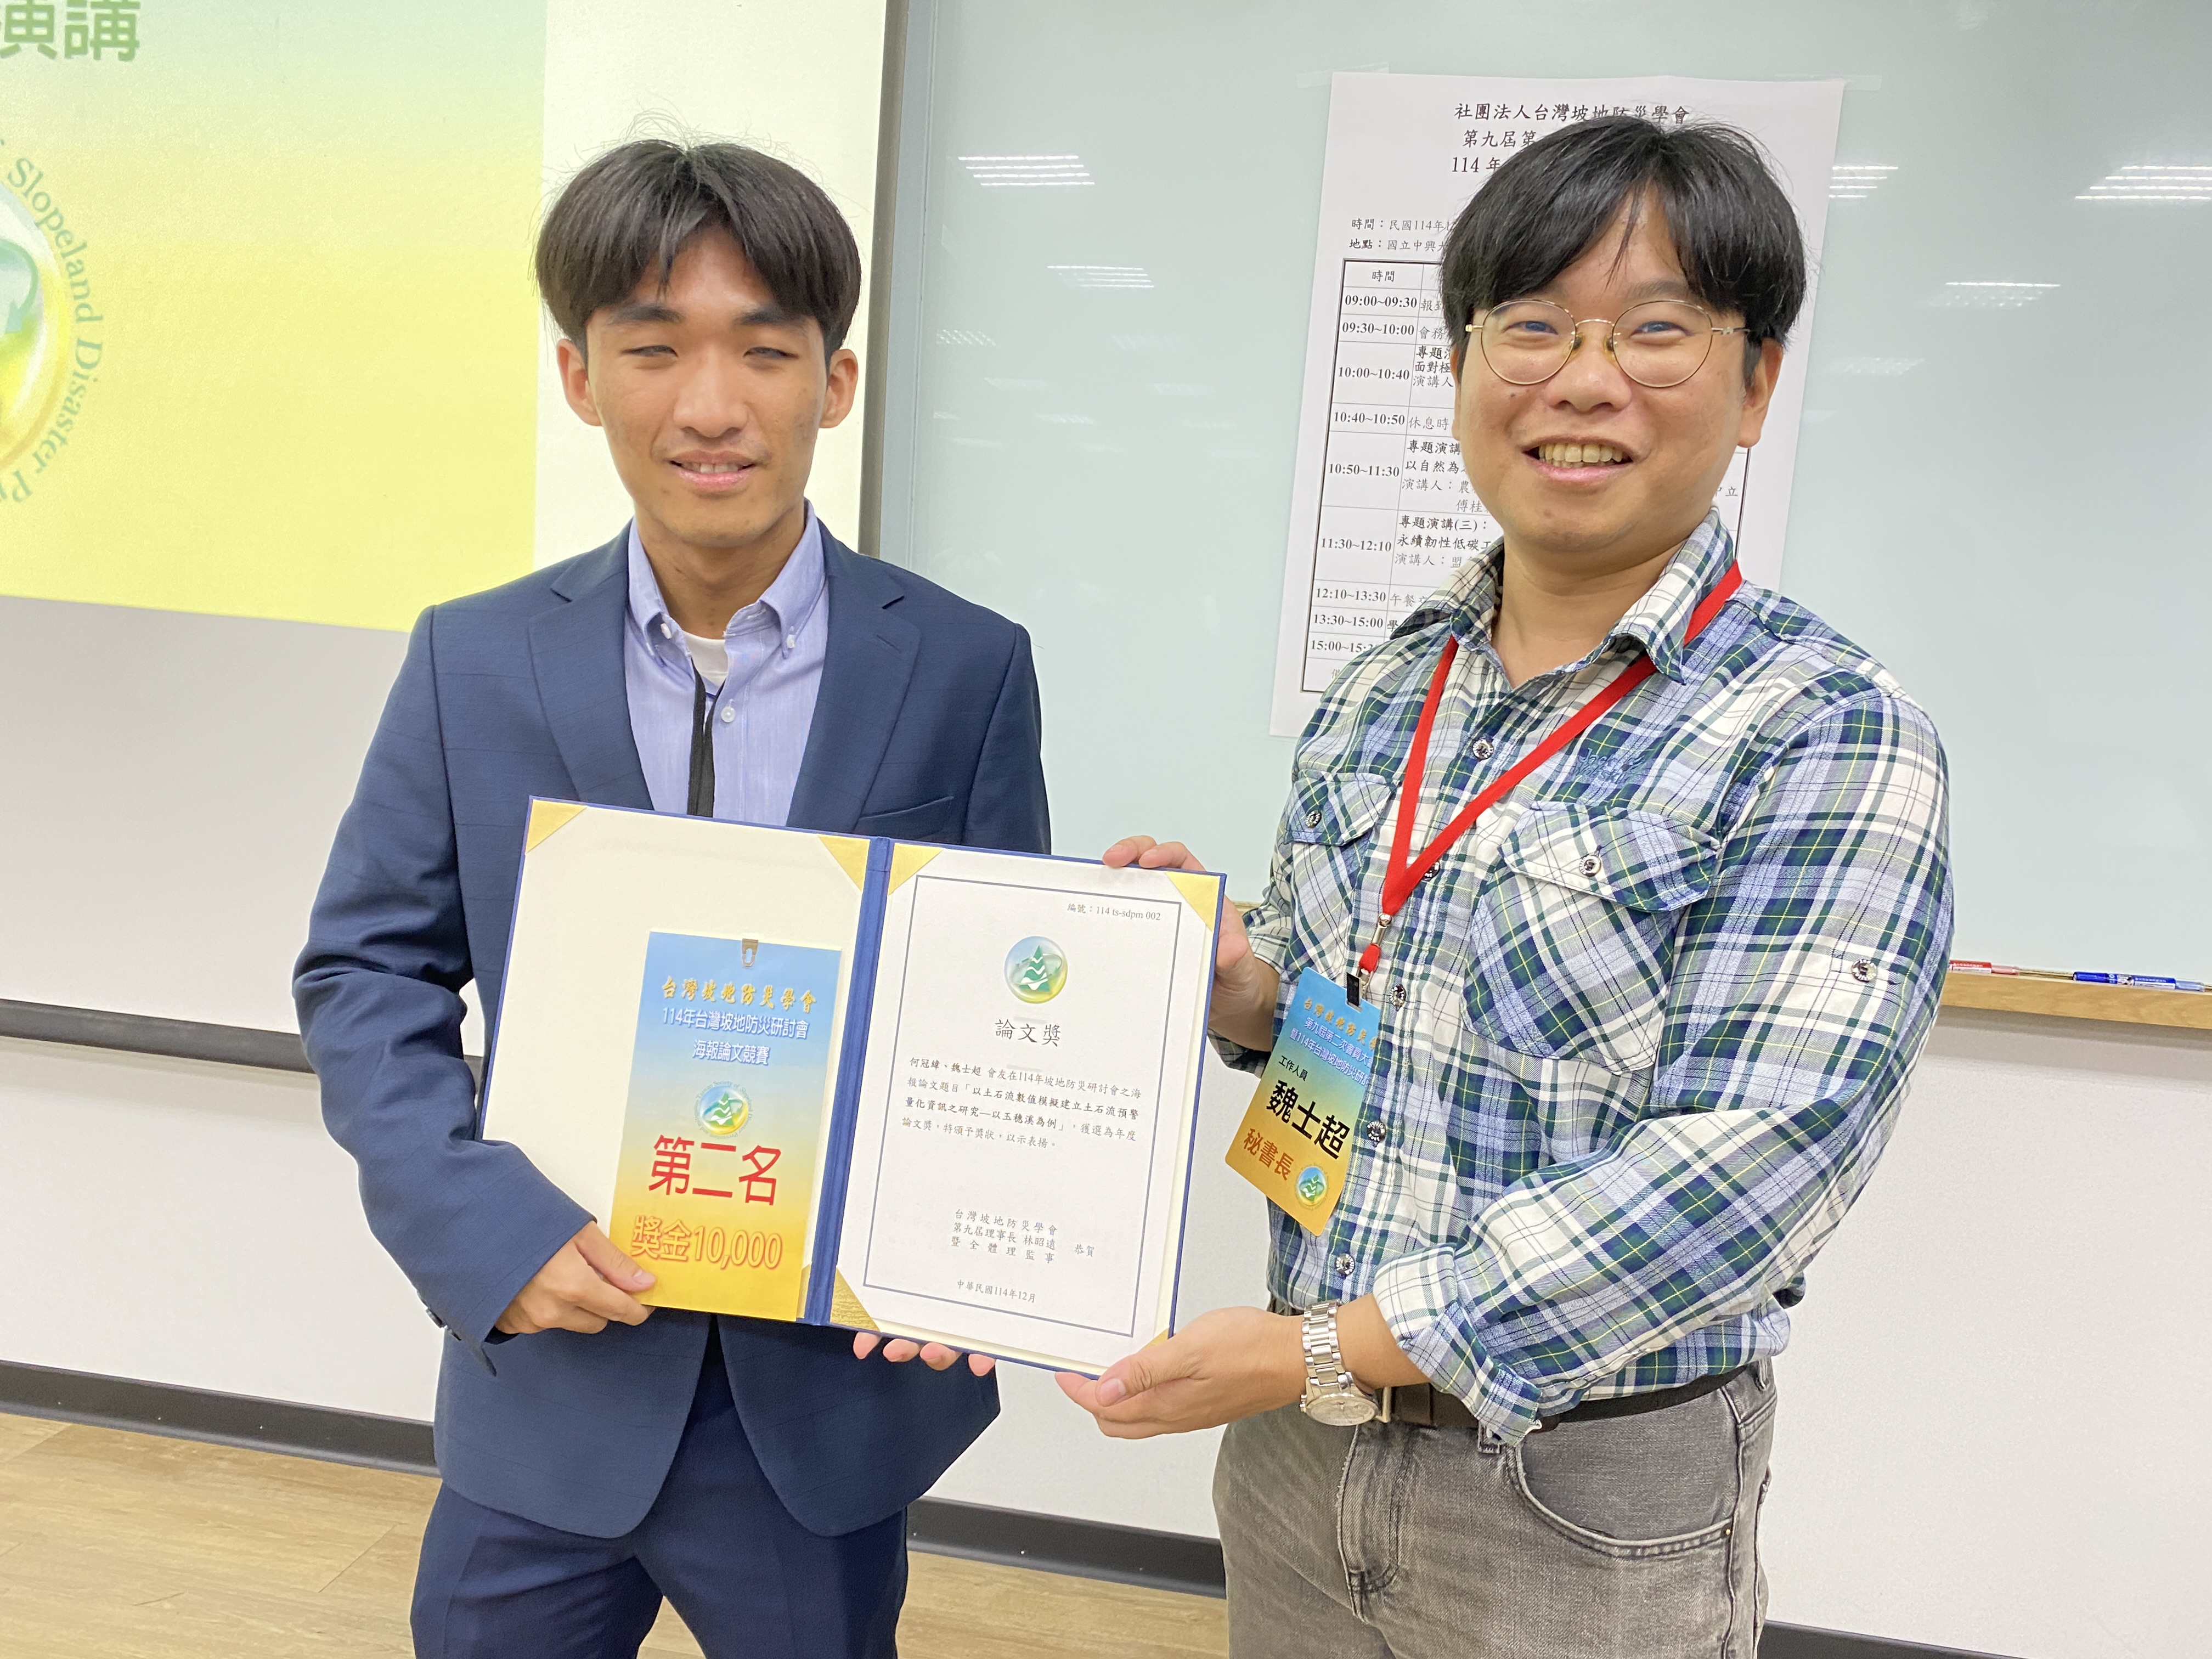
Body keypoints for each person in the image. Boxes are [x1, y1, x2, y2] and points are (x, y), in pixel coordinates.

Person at [1060, 116, 1952, 1658]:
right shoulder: (1385, 689)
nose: (1584, 381)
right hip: (1297, 1460)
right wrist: (1248, 989)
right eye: (1531, 325)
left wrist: (1321, 1350)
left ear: (1756, 383)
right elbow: (1366, 1030)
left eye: (1656, 330)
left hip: (1580, 1490)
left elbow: (1755, 1168)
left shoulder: (1825, 728)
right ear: (1466, 364)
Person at [295, 139, 1046, 1659]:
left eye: (764, 350)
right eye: (654, 349)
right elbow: (365, 975)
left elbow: (989, 1006)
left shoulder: (964, 666)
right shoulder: (474, 658)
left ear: (835, 381)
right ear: (580, 378)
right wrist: (482, 1232)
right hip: (550, 1367)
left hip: (815, 1410)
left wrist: (977, 1245)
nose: (711, 406)